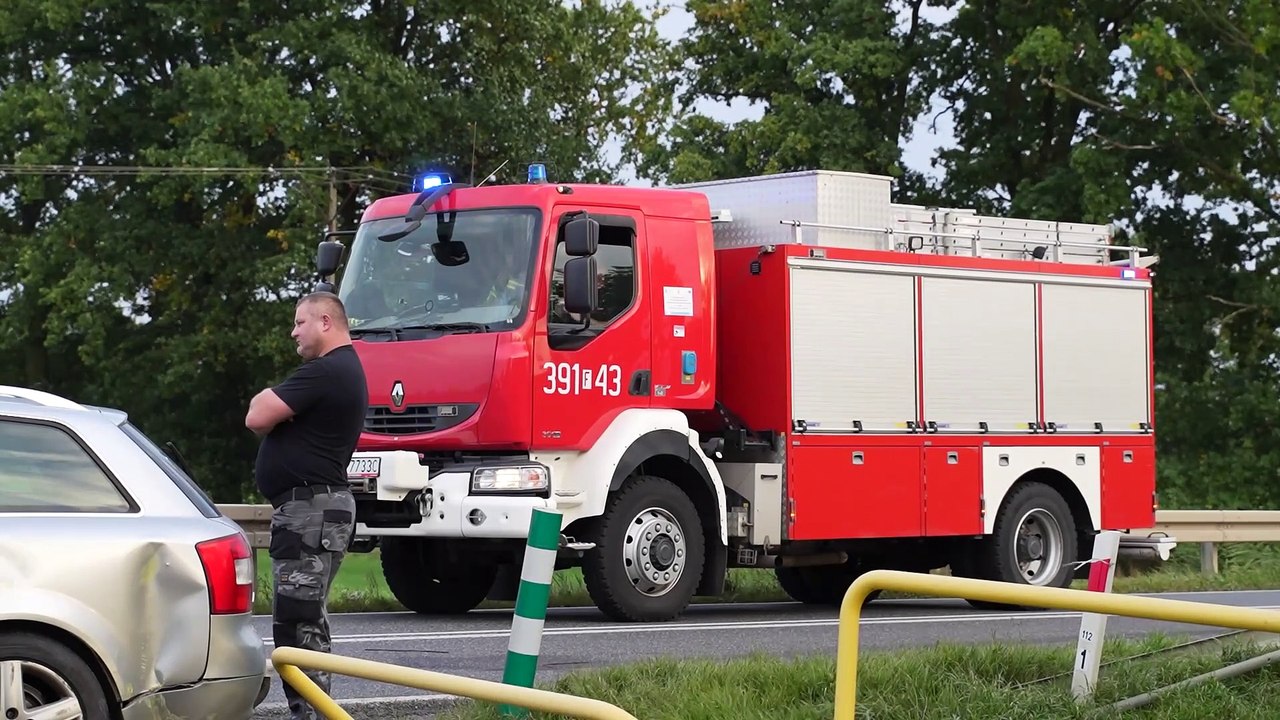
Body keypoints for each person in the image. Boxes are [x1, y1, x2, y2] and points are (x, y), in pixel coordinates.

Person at [244, 291, 369, 720]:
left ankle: (314, 715)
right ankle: (314, 713)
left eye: (300, 322)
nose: (293, 331)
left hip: (310, 511)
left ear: (325, 323)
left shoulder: (326, 371)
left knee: (298, 624)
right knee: (301, 621)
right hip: (313, 509)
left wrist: (268, 397)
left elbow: (257, 416)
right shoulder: (336, 371)